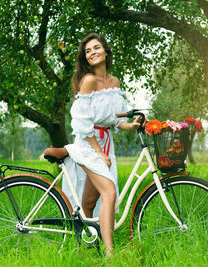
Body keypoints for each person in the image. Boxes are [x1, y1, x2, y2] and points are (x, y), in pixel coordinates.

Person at [62, 33, 140, 257]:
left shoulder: (114, 83)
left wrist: (132, 125)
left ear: (106, 51)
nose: (93, 52)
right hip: (89, 145)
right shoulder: (88, 81)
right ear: (86, 59)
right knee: (109, 192)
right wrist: (98, 152)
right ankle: (109, 253)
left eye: (96, 48)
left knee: (88, 201)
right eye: (88, 51)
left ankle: (85, 245)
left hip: (106, 145)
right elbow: (82, 123)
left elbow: (116, 121)